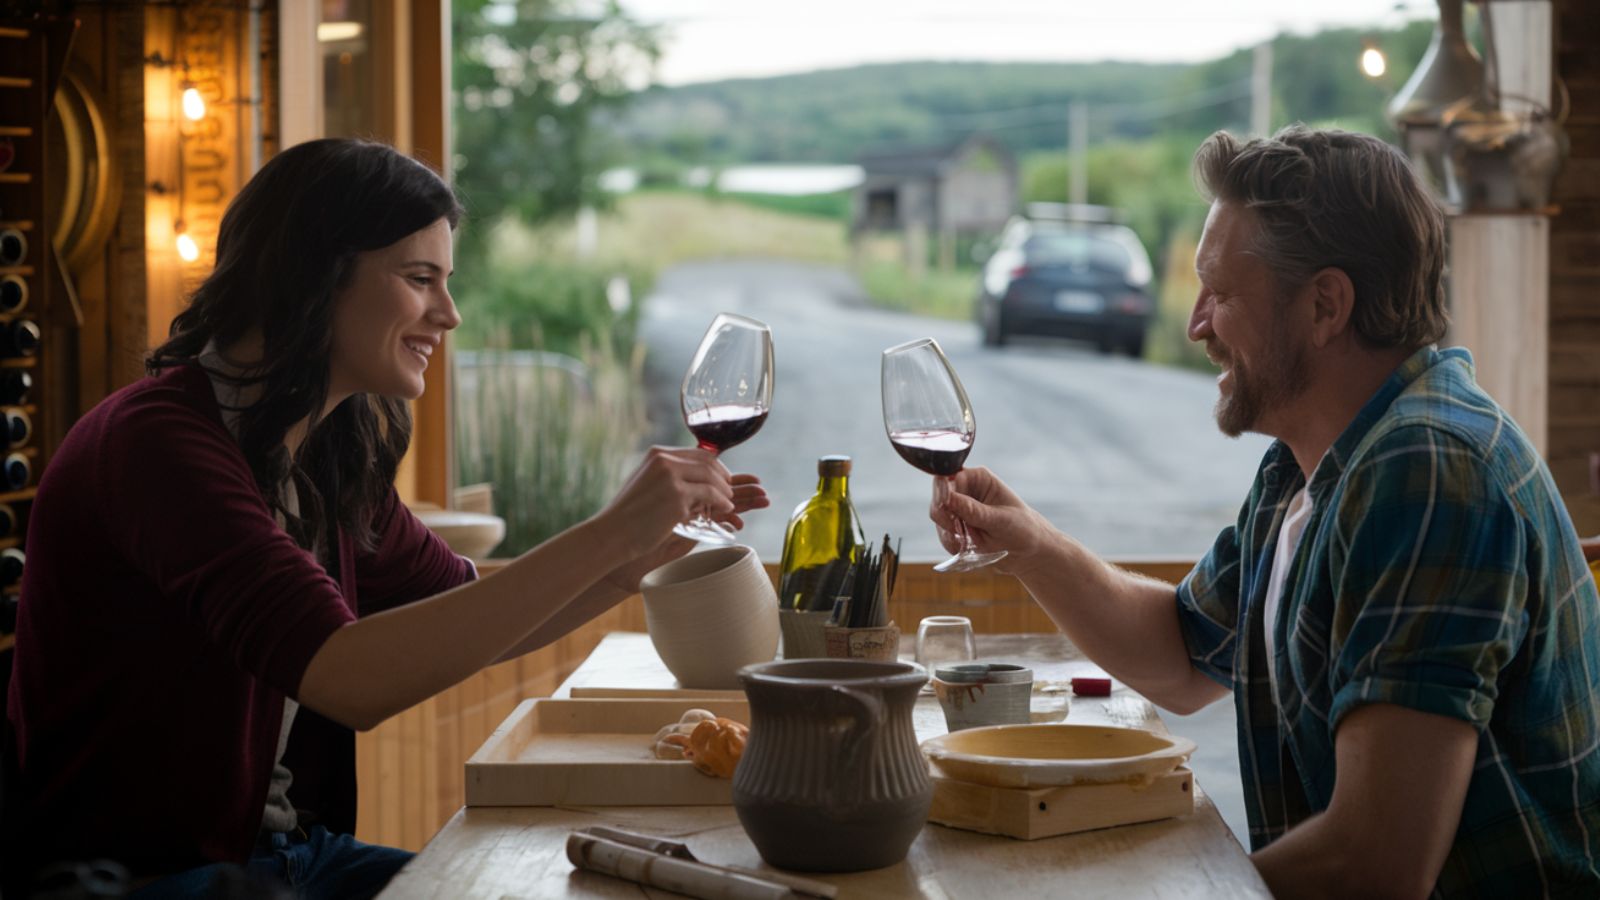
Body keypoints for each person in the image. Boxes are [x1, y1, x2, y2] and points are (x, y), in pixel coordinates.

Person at [2, 138, 768, 899]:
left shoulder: (325, 451)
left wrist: (627, 566)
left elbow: (462, 612)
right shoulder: (156, 446)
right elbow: (347, 678)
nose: (450, 313)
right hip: (136, 881)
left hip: (288, 857)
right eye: (419, 278)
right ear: (315, 275)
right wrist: (609, 533)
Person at [931, 125, 1600, 899]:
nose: (1197, 325)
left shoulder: (1428, 469)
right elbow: (1183, 658)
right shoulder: (1307, 463)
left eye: (1221, 293)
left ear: (1325, 305)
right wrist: (1028, 545)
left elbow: (1376, 861)